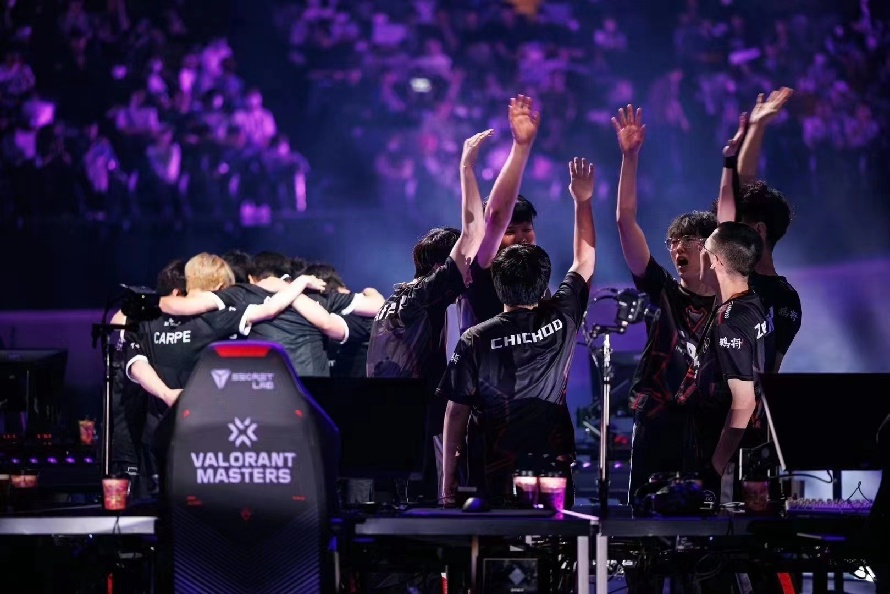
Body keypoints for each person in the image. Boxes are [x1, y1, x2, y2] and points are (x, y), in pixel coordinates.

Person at [367, 94, 542, 502]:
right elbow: (481, 226)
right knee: (440, 510)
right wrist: (475, 164)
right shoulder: (438, 292)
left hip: (396, 425)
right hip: (443, 421)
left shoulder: (404, 299)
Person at [439, 156, 596, 506]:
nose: (523, 239)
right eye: (513, 231)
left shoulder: (548, 304)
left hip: (543, 455)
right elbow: (584, 261)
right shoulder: (483, 274)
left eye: (527, 230)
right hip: (494, 454)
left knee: (550, 531)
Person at [611, 104, 719, 502]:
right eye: (672, 242)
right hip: (658, 423)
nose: (676, 248)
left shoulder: (732, 304)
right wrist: (630, 157)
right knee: (646, 519)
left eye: (687, 240)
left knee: (707, 522)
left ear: (711, 247)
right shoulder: (663, 291)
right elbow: (625, 220)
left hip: (708, 427)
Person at [675, 221, 768, 501]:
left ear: (715, 261)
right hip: (741, 450)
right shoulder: (750, 303)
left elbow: (744, 401)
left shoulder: (731, 320)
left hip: (726, 461)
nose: (699, 254)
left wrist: (714, 470)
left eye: (703, 249)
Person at [717, 88, 801, 372]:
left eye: (739, 223)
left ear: (759, 231)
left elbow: (769, 373)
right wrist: (757, 127)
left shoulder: (785, 299)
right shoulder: (727, 273)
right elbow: (744, 184)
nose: (729, 229)